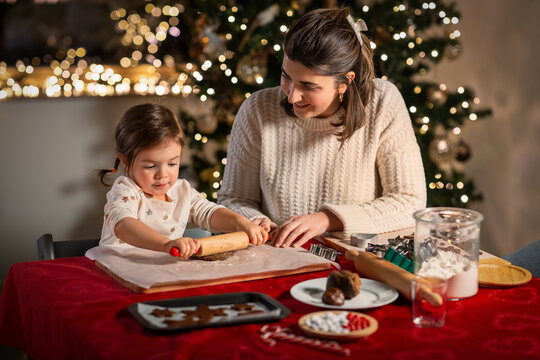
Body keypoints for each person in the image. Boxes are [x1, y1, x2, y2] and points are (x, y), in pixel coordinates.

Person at [218, 7, 426, 248]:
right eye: (286, 76)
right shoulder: (257, 109)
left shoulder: (383, 103)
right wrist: (254, 220)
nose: (292, 96)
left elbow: (410, 202)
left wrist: (328, 219)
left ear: (344, 82)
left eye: (308, 85)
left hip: (355, 265)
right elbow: (233, 198)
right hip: (277, 259)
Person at [98, 103, 269, 259]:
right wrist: (166, 244)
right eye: (150, 166)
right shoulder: (125, 190)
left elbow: (209, 213)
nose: (163, 175)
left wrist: (240, 222)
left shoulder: (182, 191)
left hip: (157, 273)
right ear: (125, 161)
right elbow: (123, 225)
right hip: (116, 269)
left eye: (172, 163)